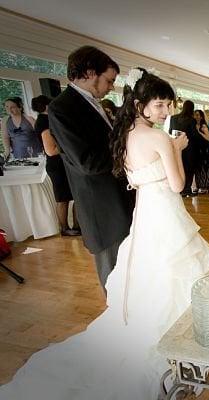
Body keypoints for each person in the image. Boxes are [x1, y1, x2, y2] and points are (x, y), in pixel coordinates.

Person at [0, 68, 209, 400]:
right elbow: (176, 185)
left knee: (153, 271)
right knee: (174, 269)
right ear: (141, 104)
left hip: (145, 212)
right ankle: (179, 342)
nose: (166, 112)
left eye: (168, 105)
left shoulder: (126, 134)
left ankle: (165, 333)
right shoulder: (159, 137)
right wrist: (176, 149)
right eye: (160, 105)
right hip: (164, 212)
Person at [48, 45, 132, 291]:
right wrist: (125, 148)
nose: (111, 87)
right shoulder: (62, 108)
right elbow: (88, 162)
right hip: (102, 208)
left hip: (119, 199)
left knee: (127, 271)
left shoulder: (95, 103)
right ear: (89, 72)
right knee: (113, 275)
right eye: (109, 80)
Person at [30, 95, 81, 236]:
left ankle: (77, 225)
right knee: (63, 199)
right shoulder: (43, 122)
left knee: (74, 196)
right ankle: (64, 228)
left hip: (63, 164)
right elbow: (51, 150)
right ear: (47, 106)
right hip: (57, 165)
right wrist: (70, 146)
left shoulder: (48, 120)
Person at [169, 100, 197, 196]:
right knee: (189, 168)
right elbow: (194, 135)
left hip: (176, 145)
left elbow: (170, 131)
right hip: (189, 147)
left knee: (180, 167)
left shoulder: (173, 118)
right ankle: (187, 189)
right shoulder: (191, 120)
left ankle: (180, 190)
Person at [193, 109, 209, 193]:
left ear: (201, 116)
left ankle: (207, 186)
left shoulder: (203, 126)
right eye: (195, 115)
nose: (196, 116)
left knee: (207, 167)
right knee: (199, 168)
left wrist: (199, 132)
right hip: (197, 150)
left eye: (198, 115)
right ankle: (200, 185)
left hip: (205, 150)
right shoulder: (193, 125)